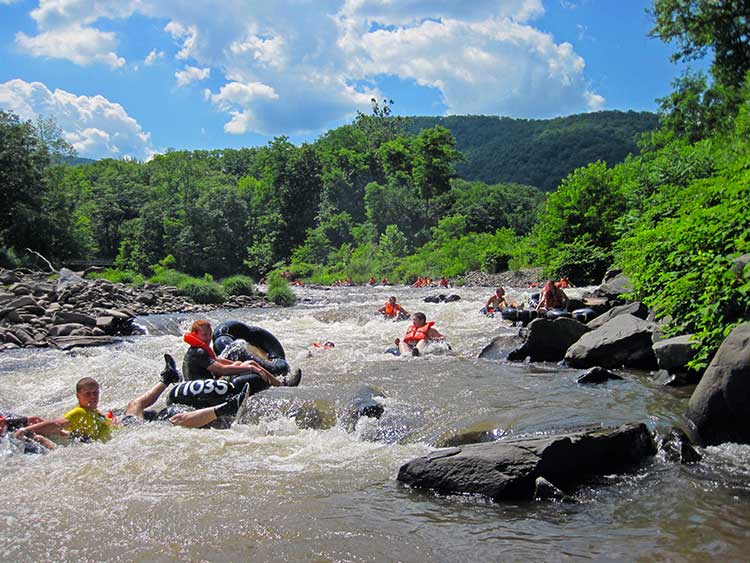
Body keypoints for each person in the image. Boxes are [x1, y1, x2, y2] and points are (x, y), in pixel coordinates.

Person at [182, 320, 299, 387]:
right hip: (204, 388)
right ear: (194, 334)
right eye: (204, 335)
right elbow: (222, 370)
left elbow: (217, 360)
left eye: (209, 334)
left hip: (204, 384)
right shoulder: (199, 352)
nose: (208, 338)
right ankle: (281, 385)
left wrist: (237, 364)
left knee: (245, 363)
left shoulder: (196, 349)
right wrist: (251, 368)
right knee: (251, 364)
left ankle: (279, 384)